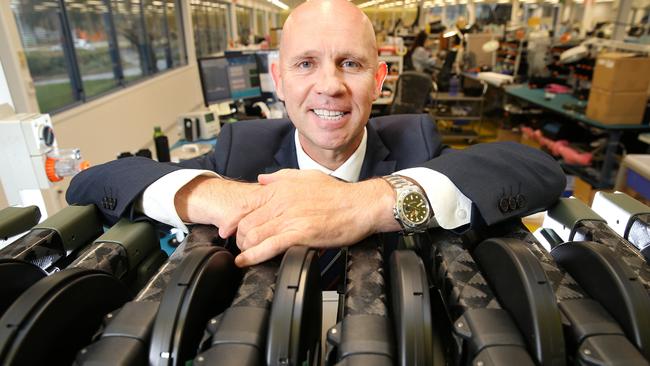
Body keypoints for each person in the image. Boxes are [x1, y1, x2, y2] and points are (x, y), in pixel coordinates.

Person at [66, 0, 565, 276]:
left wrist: (370, 203)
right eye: (306, 64)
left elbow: (538, 171)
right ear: (278, 80)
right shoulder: (243, 150)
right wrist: (213, 192)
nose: (330, 85)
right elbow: (93, 184)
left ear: (380, 79)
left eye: (351, 63)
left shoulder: (415, 142)